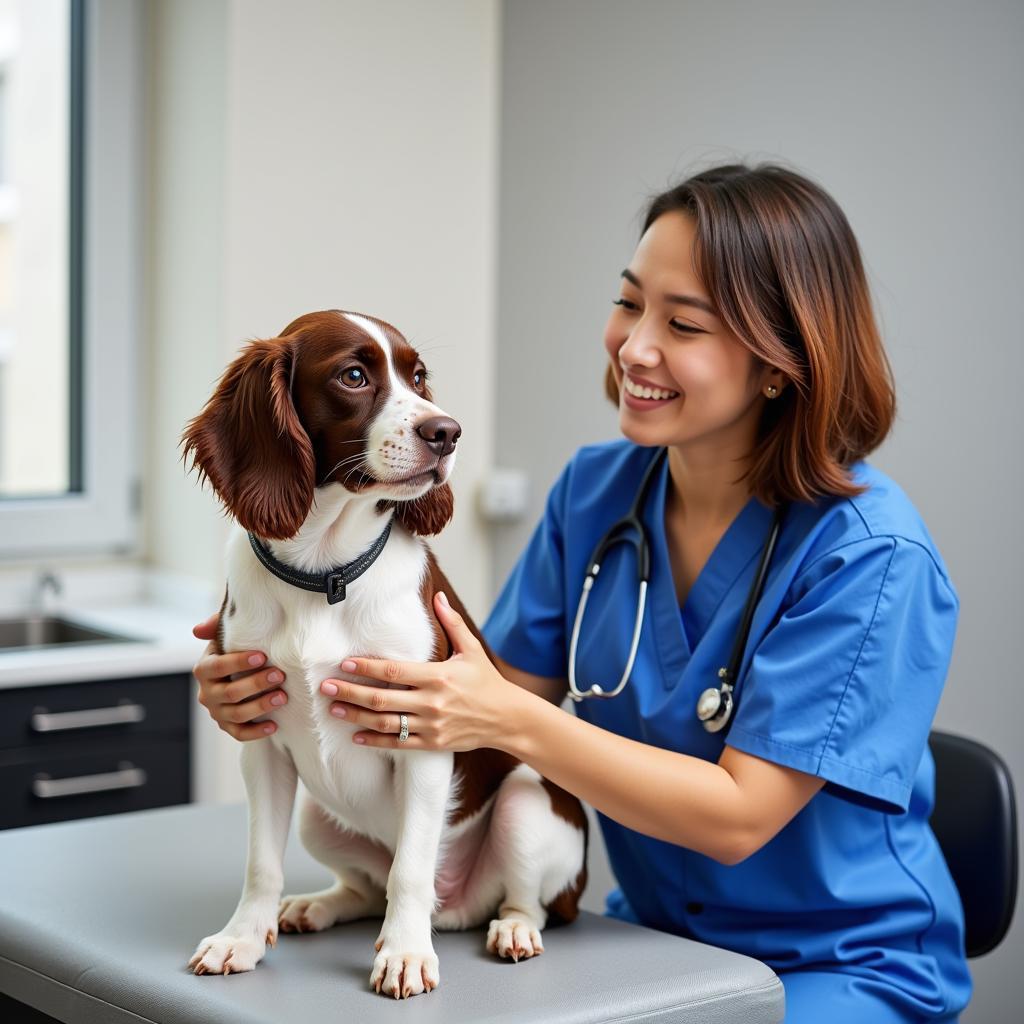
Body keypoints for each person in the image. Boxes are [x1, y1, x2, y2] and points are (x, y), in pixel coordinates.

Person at [191, 163, 971, 1022]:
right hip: (647, 943)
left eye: (684, 323)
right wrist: (273, 685)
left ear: (781, 363)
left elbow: (738, 817)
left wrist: (506, 718)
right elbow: (474, 711)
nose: (635, 346)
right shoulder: (598, 494)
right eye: (630, 303)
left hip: (836, 970)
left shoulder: (870, 557)